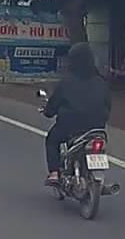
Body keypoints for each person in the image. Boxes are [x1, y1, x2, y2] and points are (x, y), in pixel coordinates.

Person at [41, 42, 111, 185]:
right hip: (97, 128)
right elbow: (108, 104)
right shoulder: (101, 82)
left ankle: (54, 173)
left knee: (52, 140)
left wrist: (48, 112)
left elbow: (53, 105)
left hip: (70, 127)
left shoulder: (67, 82)